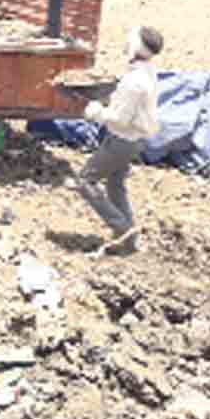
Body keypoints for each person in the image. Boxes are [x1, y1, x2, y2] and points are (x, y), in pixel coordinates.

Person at [73, 25, 164, 253]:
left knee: (85, 181)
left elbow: (120, 120)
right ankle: (128, 242)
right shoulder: (147, 73)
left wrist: (95, 111)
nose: (124, 43)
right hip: (133, 141)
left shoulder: (135, 82)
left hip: (122, 141)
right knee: (115, 185)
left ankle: (123, 229)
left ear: (135, 46)